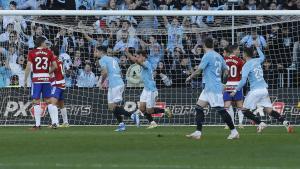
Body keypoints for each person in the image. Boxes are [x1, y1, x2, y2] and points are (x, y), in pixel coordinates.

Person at [230, 42, 294, 133]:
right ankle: (285, 122)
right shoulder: (257, 61)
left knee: (244, 110)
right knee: (269, 110)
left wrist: (235, 90)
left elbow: (243, 81)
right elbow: (263, 57)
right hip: (264, 90)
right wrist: (258, 47)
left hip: (255, 91)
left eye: (243, 53)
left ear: (245, 54)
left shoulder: (246, 66)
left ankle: (261, 123)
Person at [185, 37, 239, 140]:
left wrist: (189, 77)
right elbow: (226, 71)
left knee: (220, 110)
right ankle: (198, 132)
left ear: (204, 45)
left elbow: (199, 70)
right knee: (198, 107)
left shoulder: (207, 56)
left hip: (212, 87)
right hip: (209, 88)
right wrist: (223, 83)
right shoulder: (218, 56)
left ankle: (234, 131)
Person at [94, 46, 139, 132]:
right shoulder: (113, 59)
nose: (96, 53)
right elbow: (119, 72)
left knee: (114, 106)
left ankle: (132, 115)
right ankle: (121, 125)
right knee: (111, 107)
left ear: (101, 52)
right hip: (116, 83)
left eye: (97, 51)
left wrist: (100, 83)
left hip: (115, 84)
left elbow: (105, 73)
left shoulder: (102, 59)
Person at [126, 49, 171, 129]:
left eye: (138, 56)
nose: (137, 58)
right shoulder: (142, 63)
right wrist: (128, 53)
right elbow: (137, 61)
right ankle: (153, 123)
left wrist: (130, 55)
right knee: (142, 108)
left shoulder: (146, 63)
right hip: (146, 89)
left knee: (149, 110)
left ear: (143, 57)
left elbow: (138, 62)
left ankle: (165, 110)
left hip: (151, 90)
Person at [24, 36, 58, 130]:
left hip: (36, 79)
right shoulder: (49, 52)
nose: (46, 44)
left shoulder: (32, 52)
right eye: (45, 42)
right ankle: (55, 123)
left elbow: (28, 67)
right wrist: (47, 73)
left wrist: (25, 80)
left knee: (36, 102)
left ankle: (38, 125)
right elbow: (55, 66)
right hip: (46, 79)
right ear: (41, 43)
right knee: (49, 101)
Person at [223, 45, 245, 129]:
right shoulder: (240, 61)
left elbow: (223, 73)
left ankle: (228, 124)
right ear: (234, 51)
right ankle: (240, 123)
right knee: (239, 105)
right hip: (237, 84)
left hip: (227, 84)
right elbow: (242, 74)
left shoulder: (224, 59)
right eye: (238, 50)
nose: (239, 51)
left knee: (227, 105)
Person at [49, 46, 69, 128]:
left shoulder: (52, 60)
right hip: (62, 83)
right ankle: (66, 122)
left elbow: (51, 71)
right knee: (61, 104)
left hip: (56, 83)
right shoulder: (60, 60)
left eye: (50, 51)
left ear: (53, 52)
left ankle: (55, 123)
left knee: (52, 103)